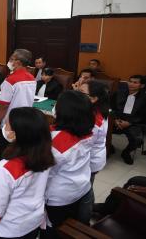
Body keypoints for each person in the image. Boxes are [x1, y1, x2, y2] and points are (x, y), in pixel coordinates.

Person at [0, 107, 54, 239]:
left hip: (10, 229)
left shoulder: (5, 169)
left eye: (7, 124)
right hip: (33, 221)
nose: (4, 127)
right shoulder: (45, 155)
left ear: (15, 134)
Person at [44, 91, 95, 237]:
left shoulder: (56, 142)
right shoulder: (87, 130)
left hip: (59, 198)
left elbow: (44, 172)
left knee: (55, 231)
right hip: (81, 188)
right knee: (72, 228)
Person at [0, 49, 36, 160]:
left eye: (11, 58)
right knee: (20, 156)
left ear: (18, 62)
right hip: (26, 121)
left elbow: (3, 106)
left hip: (10, 123)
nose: (9, 61)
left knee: (5, 156)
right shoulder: (32, 78)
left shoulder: (10, 80)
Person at [78, 81, 109, 183]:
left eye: (81, 92)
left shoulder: (94, 120)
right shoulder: (89, 109)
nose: (76, 94)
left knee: (86, 187)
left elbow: (83, 144)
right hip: (87, 157)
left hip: (90, 160)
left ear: (94, 98)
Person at [111, 75, 146, 165]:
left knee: (137, 139)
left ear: (141, 85)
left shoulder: (144, 98)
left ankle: (126, 152)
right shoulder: (118, 93)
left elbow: (143, 115)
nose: (131, 84)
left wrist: (130, 122)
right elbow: (110, 107)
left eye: (135, 82)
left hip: (133, 123)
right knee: (100, 131)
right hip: (116, 120)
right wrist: (114, 119)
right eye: (130, 81)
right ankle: (109, 146)